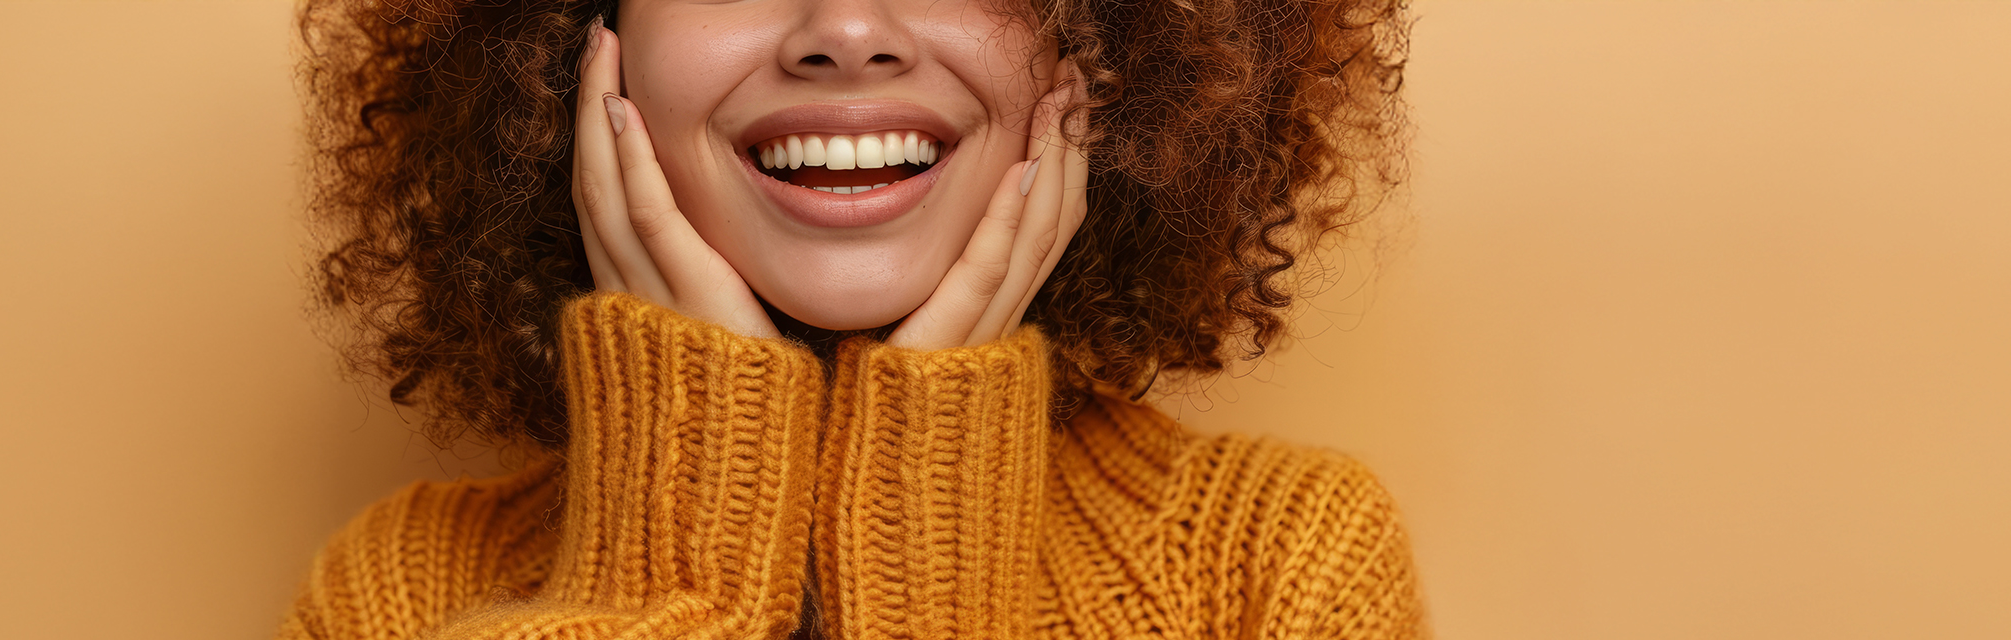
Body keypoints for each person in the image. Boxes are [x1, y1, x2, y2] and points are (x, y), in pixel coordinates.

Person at [285, 0, 1419, 637]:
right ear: (581, 42)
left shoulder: (1276, 568)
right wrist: (675, 551)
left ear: (1096, 42)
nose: (845, 29)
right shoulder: (402, 596)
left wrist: (932, 489)